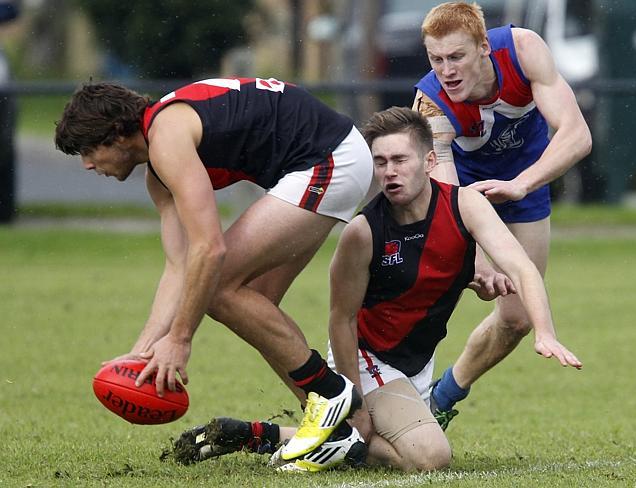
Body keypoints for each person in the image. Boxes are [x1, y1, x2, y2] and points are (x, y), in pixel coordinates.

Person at [169, 107, 582, 472]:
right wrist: (354, 401)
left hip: (417, 363)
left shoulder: (465, 205)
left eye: (400, 159)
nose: (390, 171)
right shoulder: (364, 232)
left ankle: (267, 435)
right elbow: (341, 320)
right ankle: (316, 432)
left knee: (381, 447)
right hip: (368, 360)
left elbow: (522, 268)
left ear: (429, 161)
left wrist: (544, 331)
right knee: (429, 457)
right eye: (380, 162)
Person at [54, 76, 374, 461]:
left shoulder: (166, 138)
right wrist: (140, 352)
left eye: (89, 149)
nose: (88, 164)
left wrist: (180, 339)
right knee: (252, 303)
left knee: (219, 289)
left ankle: (329, 393)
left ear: (119, 133)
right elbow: (179, 266)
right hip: (326, 157)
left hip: (331, 157)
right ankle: (338, 428)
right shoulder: (159, 170)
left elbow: (209, 249)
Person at [412, 2, 591, 420]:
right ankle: (388, 394)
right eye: (436, 59)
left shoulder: (524, 49)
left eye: (456, 56)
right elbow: (448, 194)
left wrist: (521, 185)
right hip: (464, 192)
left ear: (483, 48)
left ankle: (442, 398)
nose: (446, 70)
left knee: (517, 319)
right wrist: (472, 256)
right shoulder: (432, 104)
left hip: (524, 180)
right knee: (426, 296)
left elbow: (577, 135)